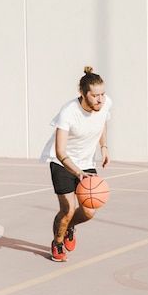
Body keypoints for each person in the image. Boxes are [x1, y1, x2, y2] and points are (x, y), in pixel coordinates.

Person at [40, 66, 112, 261]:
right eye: (95, 95)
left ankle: (70, 226)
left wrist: (103, 146)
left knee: (89, 211)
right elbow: (60, 151)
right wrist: (78, 172)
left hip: (86, 161)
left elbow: (103, 120)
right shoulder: (68, 112)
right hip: (62, 163)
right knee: (67, 209)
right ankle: (57, 243)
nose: (100, 99)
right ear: (82, 93)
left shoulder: (105, 104)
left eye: (103, 94)